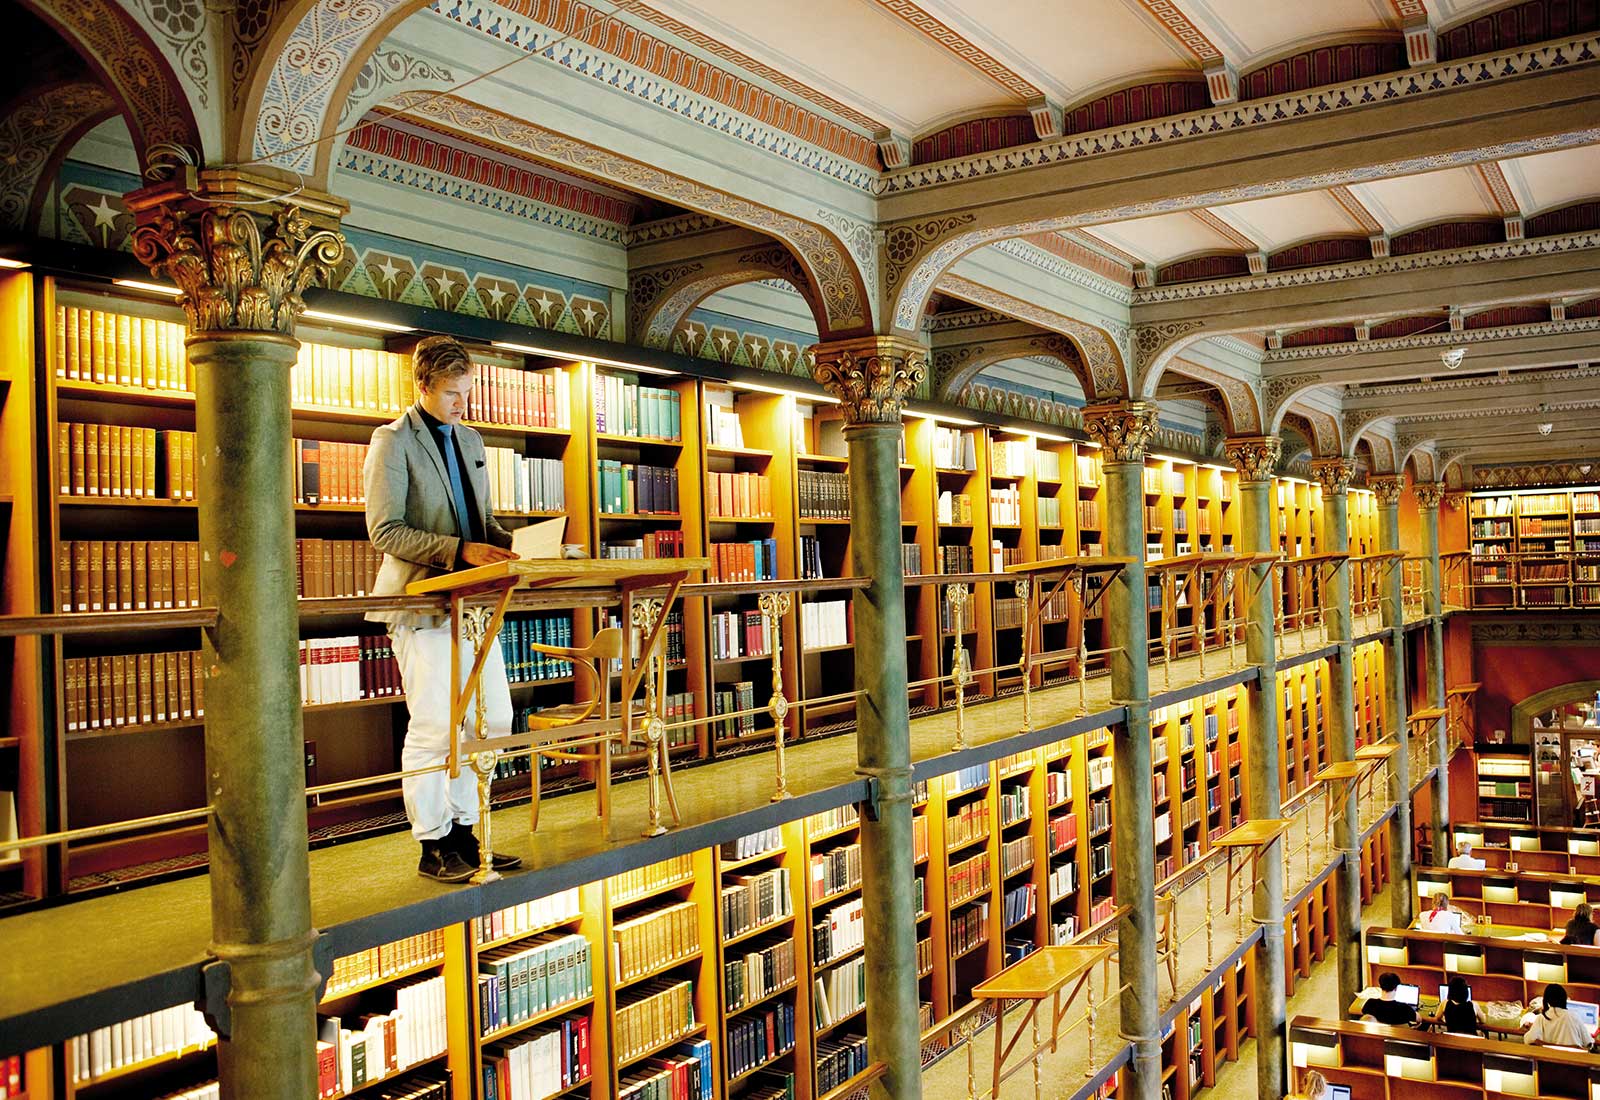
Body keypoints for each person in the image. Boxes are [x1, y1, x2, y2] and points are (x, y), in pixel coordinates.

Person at [365, 335, 523, 883]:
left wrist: (522, 544)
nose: (463, 403)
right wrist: (458, 550)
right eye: (453, 393)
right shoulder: (392, 441)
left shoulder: (473, 439)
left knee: (493, 718)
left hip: (477, 604)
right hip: (422, 603)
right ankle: (434, 842)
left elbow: (482, 524)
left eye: (468, 392)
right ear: (423, 385)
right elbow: (384, 530)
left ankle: (465, 830)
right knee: (436, 725)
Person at [1526, 983, 1595, 1049]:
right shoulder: (1573, 1016)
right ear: (1565, 999)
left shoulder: (1542, 1018)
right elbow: (1588, 1043)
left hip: (1550, 1058)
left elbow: (1529, 1040)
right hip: (1573, 1058)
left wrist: (1531, 1029)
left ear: (1546, 1000)